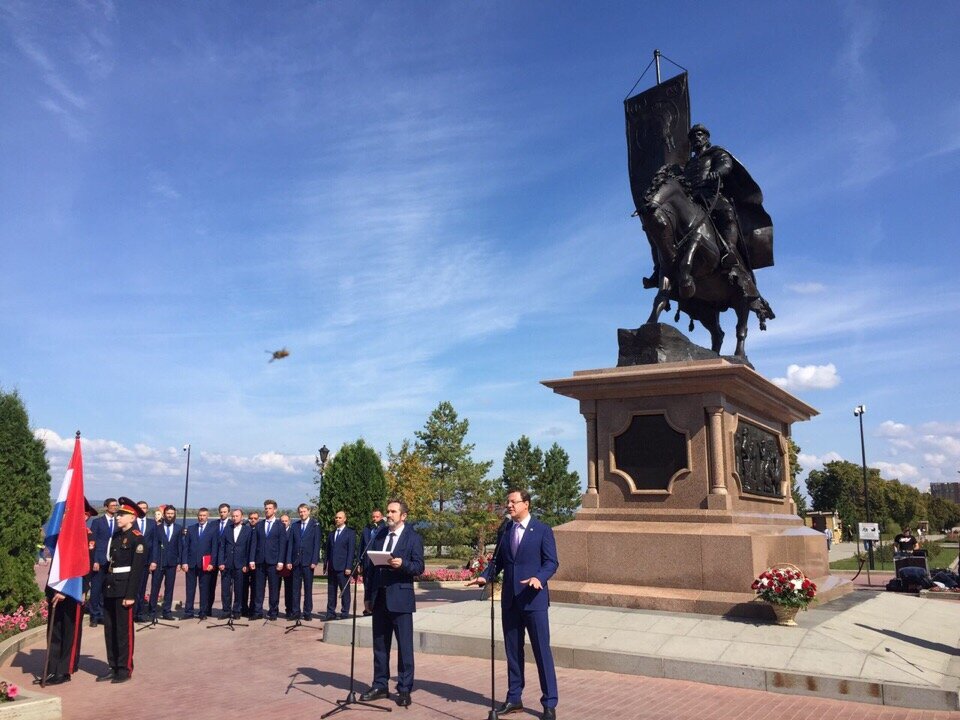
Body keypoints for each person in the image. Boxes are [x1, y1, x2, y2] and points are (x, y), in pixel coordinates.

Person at [468, 489, 559, 719]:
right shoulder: (505, 530)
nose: (508, 505)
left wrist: (540, 577)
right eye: (507, 502)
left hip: (533, 601)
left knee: (541, 651)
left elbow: (551, 562)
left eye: (513, 502)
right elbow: (497, 561)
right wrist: (485, 575)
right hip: (510, 601)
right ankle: (514, 698)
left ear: (526, 504)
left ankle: (549, 702)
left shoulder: (542, 530)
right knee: (513, 652)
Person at [680, 123, 773, 320]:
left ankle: (729, 251)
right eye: (693, 136)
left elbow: (727, 165)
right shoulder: (688, 164)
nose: (696, 138)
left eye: (700, 134)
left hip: (712, 196)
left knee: (727, 213)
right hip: (693, 200)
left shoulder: (716, 152)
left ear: (706, 137)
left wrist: (718, 172)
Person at [360, 499, 424, 708]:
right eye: (388, 511)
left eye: (393, 512)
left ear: (403, 516)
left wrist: (402, 564)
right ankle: (380, 684)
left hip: (401, 599)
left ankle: (404, 688)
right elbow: (370, 569)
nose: (389, 515)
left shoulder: (413, 537)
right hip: (379, 599)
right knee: (380, 646)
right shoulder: (379, 536)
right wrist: (368, 596)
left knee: (404, 646)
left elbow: (419, 566)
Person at [41, 498, 99, 685]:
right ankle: (52, 668)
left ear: (85, 516)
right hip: (55, 589)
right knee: (55, 630)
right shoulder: (62, 534)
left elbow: (83, 568)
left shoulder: (86, 536)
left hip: (73, 590)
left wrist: (66, 589)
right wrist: (55, 588)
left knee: (69, 631)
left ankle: (64, 670)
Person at [97, 497, 147, 684]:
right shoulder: (116, 536)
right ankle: (113, 666)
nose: (118, 517)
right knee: (110, 630)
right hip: (110, 586)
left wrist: (130, 595)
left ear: (132, 517)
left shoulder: (137, 539)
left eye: (122, 514)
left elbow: (136, 570)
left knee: (123, 631)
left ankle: (124, 668)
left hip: (124, 589)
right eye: (118, 514)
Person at [252, 500, 286, 620]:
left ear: (275, 510)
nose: (267, 510)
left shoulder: (280, 526)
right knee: (258, 588)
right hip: (260, 561)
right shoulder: (259, 525)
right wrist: (252, 560)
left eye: (270, 508)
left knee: (273, 588)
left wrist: (281, 561)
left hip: (274, 562)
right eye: (266, 508)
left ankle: (273, 612)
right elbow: (254, 544)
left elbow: (282, 545)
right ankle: (257, 611)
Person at [218, 508, 256, 619]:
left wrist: (246, 564)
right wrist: (221, 562)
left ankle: (237, 611)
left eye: (237, 516)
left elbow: (250, 548)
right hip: (227, 564)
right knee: (225, 589)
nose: (235, 518)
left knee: (239, 589)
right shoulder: (227, 529)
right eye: (233, 516)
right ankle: (226, 610)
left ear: (242, 517)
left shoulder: (248, 530)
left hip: (240, 565)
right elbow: (222, 547)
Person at [286, 503, 320, 620]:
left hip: (308, 562)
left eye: (304, 511)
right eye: (300, 512)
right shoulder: (295, 526)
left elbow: (316, 544)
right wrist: (289, 560)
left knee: (308, 589)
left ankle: (307, 612)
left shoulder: (315, 525)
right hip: (296, 562)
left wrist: (314, 560)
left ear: (309, 511)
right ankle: (296, 612)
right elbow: (290, 544)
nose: (302, 514)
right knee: (295, 589)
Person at [181, 507, 217, 619]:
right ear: (198, 516)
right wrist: (184, 562)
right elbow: (185, 547)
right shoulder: (191, 529)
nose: (201, 517)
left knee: (204, 589)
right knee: (190, 589)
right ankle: (188, 611)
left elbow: (214, 548)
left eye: (204, 515)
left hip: (205, 564)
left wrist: (212, 563)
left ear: (208, 516)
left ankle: (203, 612)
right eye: (200, 515)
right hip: (191, 564)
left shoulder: (213, 530)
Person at [88, 498, 118, 627]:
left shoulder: (118, 522)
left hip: (113, 562)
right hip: (99, 560)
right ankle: (94, 615)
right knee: (96, 589)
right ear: (106, 507)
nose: (114, 507)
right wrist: (94, 560)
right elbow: (93, 542)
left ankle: (103, 614)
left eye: (116, 505)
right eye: (112, 505)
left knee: (107, 589)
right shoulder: (98, 522)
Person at [149, 505, 181, 620]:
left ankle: (167, 611)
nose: (170, 515)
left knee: (169, 588)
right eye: (168, 513)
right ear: (164, 514)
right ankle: (152, 611)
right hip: (158, 562)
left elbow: (180, 546)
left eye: (172, 513)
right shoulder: (157, 528)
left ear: (175, 514)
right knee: (155, 587)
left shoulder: (178, 528)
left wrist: (179, 562)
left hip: (172, 563)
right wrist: (153, 561)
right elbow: (154, 546)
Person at [325, 510, 357, 620]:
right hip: (332, 567)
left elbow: (351, 551)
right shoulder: (332, 533)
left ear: (344, 519)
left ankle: (344, 613)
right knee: (331, 591)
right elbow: (328, 551)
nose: (337, 519)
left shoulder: (350, 533)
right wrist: (326, 565)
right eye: (336, 517)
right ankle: (330, 612)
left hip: (343, 568)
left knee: (344, 591)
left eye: (339, 518)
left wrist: (349, 566)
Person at [133, 501, 156, 622]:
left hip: (146, 561)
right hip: (132, 561)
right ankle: (131, 613)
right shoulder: (131, 522)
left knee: (142, 588)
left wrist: (153, 561)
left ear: (147, 509)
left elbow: (154, 544)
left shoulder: (152, 524)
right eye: (140, 508)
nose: (142, 509)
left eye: (144, 508)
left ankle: (140, 613)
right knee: (132, 588)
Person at [361, 509, 385, 616]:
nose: (375, 519)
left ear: (381, 517)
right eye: (373, 517)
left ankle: (374, 607)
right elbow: (362, 546)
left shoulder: (384, 529)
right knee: (367, 585)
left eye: (377, 517)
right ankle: (367, 608)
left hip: (377, 562)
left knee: (375, 585)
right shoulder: (367, 529)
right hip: (367, 561)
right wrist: (359, 562)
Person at [209, 503, 231, 616]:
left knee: (226, 587)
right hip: (213, 558)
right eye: (221, 512)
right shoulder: (213, 524)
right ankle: (207, 609)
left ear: (228, 512)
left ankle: (226, 610)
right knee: (210, 585)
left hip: (226, 560)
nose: (222, 514)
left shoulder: (232, 525)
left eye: (224, 512)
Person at [242, 510, 261, 616]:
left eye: (255, 518)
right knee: (244, 587)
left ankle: (254, 608)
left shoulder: (260, 529)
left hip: (256, 564)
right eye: (251, 518)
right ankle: (244, 608)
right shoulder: (245, 529)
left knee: (256, 587)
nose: (253, 520)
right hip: (245, 563)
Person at [278, 513, 295, 619]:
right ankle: (274, 610)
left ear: (289, 521)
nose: (284, 523)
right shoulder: (278, 531)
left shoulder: (292, 532)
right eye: (282, 521)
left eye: (285, 521)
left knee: (289, 589)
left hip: (289, 564)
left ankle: (289, 610)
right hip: (278, 564)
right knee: (276, 588)